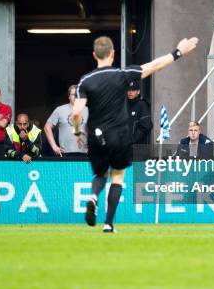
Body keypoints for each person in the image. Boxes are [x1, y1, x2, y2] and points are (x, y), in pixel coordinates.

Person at [72, 35, 199, 233]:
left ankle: (94, 196)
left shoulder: (85, 81)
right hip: (121, 135)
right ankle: (108, 224)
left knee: (100, 174)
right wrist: (178, 52)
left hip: (97, 136)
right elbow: (153, 65)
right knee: (117, 177)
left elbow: (77, 112)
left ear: (94, 55)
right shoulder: (123, 74)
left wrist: (78, 132)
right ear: (113, 54)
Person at [44, 84, 88, 157]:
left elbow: (95, 129)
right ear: (69, 96)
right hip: (65, 153)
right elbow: (47, 127)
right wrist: (54, 147)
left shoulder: (88, 110)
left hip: (84, 153)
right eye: (74, 95)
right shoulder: (60, 110)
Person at [126, 79, 152, 145]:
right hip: (124, 147)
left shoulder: (142, 104)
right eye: (129, 90)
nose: (130, 92)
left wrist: (132, 139)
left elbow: (147, 125)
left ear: (138, 91)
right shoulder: (123, 105)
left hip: (138, 147)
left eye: (133, 90)